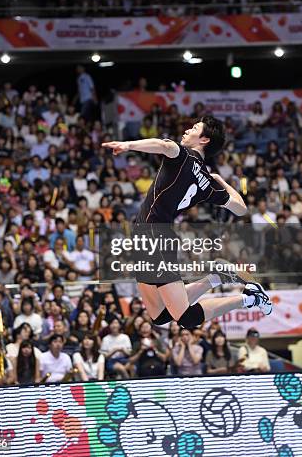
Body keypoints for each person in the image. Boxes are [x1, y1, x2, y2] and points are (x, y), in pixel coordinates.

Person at [102, 116, 272, 334]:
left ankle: (249, 299)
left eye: (194, 128)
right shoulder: (206, 183)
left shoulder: (184, 157)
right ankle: (218, 276)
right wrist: (221, 181)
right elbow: (241, 208)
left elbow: (164, 145)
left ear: (204, 140)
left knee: (186, 318)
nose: (186, 130)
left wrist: (127, 145)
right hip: (147, 238)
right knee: (160, 316)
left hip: (155, 237)